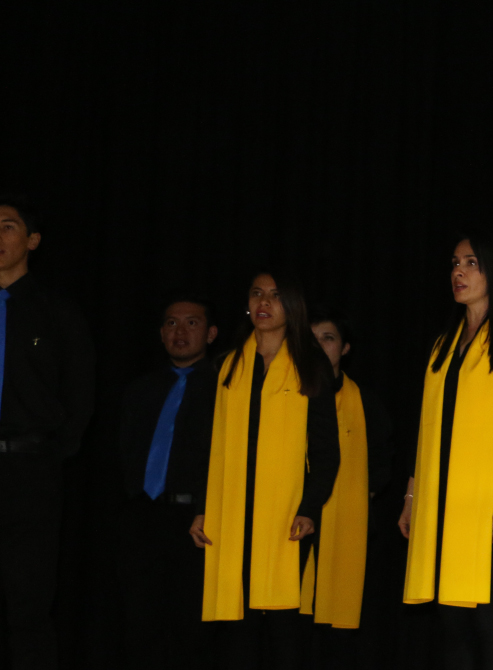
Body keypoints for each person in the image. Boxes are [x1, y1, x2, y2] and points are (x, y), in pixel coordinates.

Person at [399, 232, 493, 670]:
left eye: (471, 263)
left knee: (486, 616)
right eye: (454, 264)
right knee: (451, 620)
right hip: (441, 502)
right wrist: (411, 497)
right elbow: (425, 430)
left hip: (487, 503)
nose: (457, 272)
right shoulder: (445, 341)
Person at [189, 271, 341, 670]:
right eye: (257, 293)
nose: (264, 302)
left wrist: (309, 507)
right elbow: (207, 448)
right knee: (237, 631)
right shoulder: (226, 366)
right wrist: (203, 507)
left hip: (286, 516)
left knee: (284, 629)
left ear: (292, 306)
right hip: (232, 516)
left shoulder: (310, 367)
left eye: (275, 295)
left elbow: (326, 452)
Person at [0, 195, 96, 670]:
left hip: (28, 471)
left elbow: (80, 394)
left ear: (32, 240)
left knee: (27, 601)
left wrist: (49, 455)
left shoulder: (56, 311)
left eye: (7, 227)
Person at [117, 295, 219, 670]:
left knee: (191, 631)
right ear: (161, 333)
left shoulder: (225, 391)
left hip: (196, 520)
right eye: (172, 323)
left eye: (192, 323)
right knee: (140, 626)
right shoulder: (139, 390)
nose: (180, 331)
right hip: (142, 517)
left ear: (211, 334)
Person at [303, 309, 393, 668]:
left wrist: (358, 497)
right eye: (311, 339)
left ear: (345, 348)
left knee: (341, 635)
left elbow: (384, 459)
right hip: (295, 521)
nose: (319, 346)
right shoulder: (286, 394)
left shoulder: (366, 402)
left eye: (328, 338)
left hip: (347, 526)